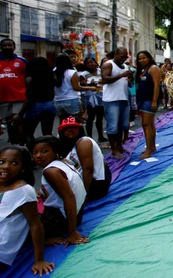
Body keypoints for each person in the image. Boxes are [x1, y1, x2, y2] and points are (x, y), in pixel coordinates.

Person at [0, 146, 55, 275]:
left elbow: (34, 224)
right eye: (1, 162)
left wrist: (39, 260)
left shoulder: (23, 191)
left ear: (23, 167)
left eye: (14, 163)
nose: (5, 166)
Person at [32, 136, 88, 246]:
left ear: (55, 151)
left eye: (44, 151)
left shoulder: (51, 172)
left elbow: (69, 197)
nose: (38, 156)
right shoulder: (65, 161)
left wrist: (72, 233)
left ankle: (44, 240)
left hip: (61, 221)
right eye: (34, 152)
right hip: (78, 216)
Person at [58, 117, 112, 200]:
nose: (70, 130)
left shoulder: (84, 142)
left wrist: (83, 194)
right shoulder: (70, 144)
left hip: (95, 184)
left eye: (73, 127)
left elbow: (88, 170)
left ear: (79, 128)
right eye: (66, 128)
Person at [15, 57, 56, 148]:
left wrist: (20, 114)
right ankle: (48, 151)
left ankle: (33, 152)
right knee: (47, 133)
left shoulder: (30, 78)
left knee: (28, 133)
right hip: (49, 104)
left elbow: (30, 96)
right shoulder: (50, 76)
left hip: (35, 105)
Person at [101, 47, 132, 159]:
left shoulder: (126, 67)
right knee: (113, 127)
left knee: (122, 126)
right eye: (122, 56)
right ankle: (114, 150)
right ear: (115, 54)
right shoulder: (108, 64)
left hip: (124, 99)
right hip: (111, 100)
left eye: (125, 57)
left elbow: (127, 83)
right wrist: (121, 75)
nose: (123, 59)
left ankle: (119, 146)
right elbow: (104, 79)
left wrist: (130, 78)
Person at [0, 38, 27, 145]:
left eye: (9, 45)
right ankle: (13, 144)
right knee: (8, 122)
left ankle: (21, 144)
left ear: (14, 47)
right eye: (4, 45)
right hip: (2, 98)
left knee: (18, 121)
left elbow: (28, 77)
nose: (7, 47)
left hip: (19, 97)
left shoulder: (21, 61)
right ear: (1, 48)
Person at [135, 51, 161, 159]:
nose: (141, 60)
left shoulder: (153, 68)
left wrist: (154, 101)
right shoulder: (142, 70)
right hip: (143, 100)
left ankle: (149, 150)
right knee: (149, 124)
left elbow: (156, 85)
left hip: (149, 100)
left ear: (149, 58)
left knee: (146, 124)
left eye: (143, 58)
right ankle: (151, 147)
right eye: (139, 59)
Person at [53, 54, 96, 120]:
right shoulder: (71, 72)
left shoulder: (54, 72)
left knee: (63, 124)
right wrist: (91, 88)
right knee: (76, 122)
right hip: (71, 100)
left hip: (58, 101)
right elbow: (76, 88)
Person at [81, 58, 107, 144]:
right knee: (90, 118)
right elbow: (81, 84)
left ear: (96, 63)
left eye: (92, 62)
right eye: (88, 63)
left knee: (100, 118)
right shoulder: (84, 74)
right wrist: (89, 84)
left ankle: (101, 136)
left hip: (101, 96)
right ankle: (90, 137)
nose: (91, 64)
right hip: (90, 98)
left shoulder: (101, 71)